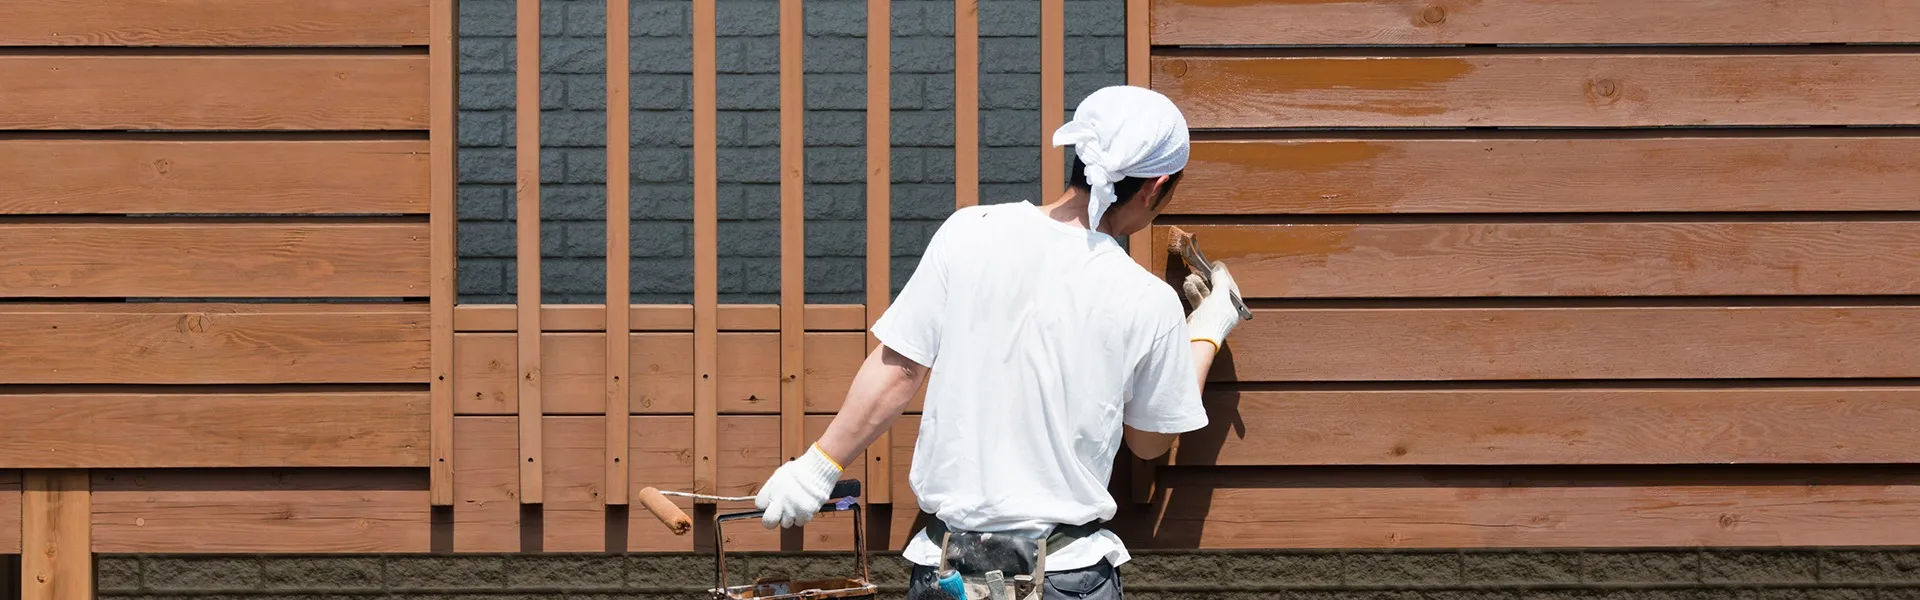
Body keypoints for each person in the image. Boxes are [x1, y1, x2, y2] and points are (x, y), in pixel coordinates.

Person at [750, 85, 1247, 599]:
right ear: (1155, 187)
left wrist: (816, 469)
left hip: (947, 573)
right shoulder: (1147, 298)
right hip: (1065, 577)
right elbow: (1149, 441)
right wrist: (1204, 334)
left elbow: (900, 368)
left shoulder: (969, 232)